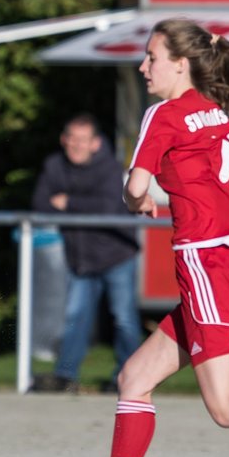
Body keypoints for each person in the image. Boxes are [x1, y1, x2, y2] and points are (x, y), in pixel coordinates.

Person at [63, 19, 229, 457]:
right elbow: (227, 174)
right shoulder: (221, 113)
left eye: (151, 57)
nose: (144, 66)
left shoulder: (165, 115)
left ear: (181, 63)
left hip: (206, 263)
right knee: (134, 376)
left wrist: (140, 198)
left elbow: (133, 187)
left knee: (225, 408)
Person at [31, 114, 142, 394]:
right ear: (63, 139)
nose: (77, 145)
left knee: (124, 318)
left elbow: (106, 207)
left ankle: (128, 378)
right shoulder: (55, 165)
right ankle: (66, 377)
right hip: (80, 259)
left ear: (95, 143)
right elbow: (40, 203)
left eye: (83, 140)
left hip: (116, 255)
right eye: (72, 139)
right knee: (75, 316)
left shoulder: (110, 168)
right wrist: (80, 206)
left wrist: (67, 201)